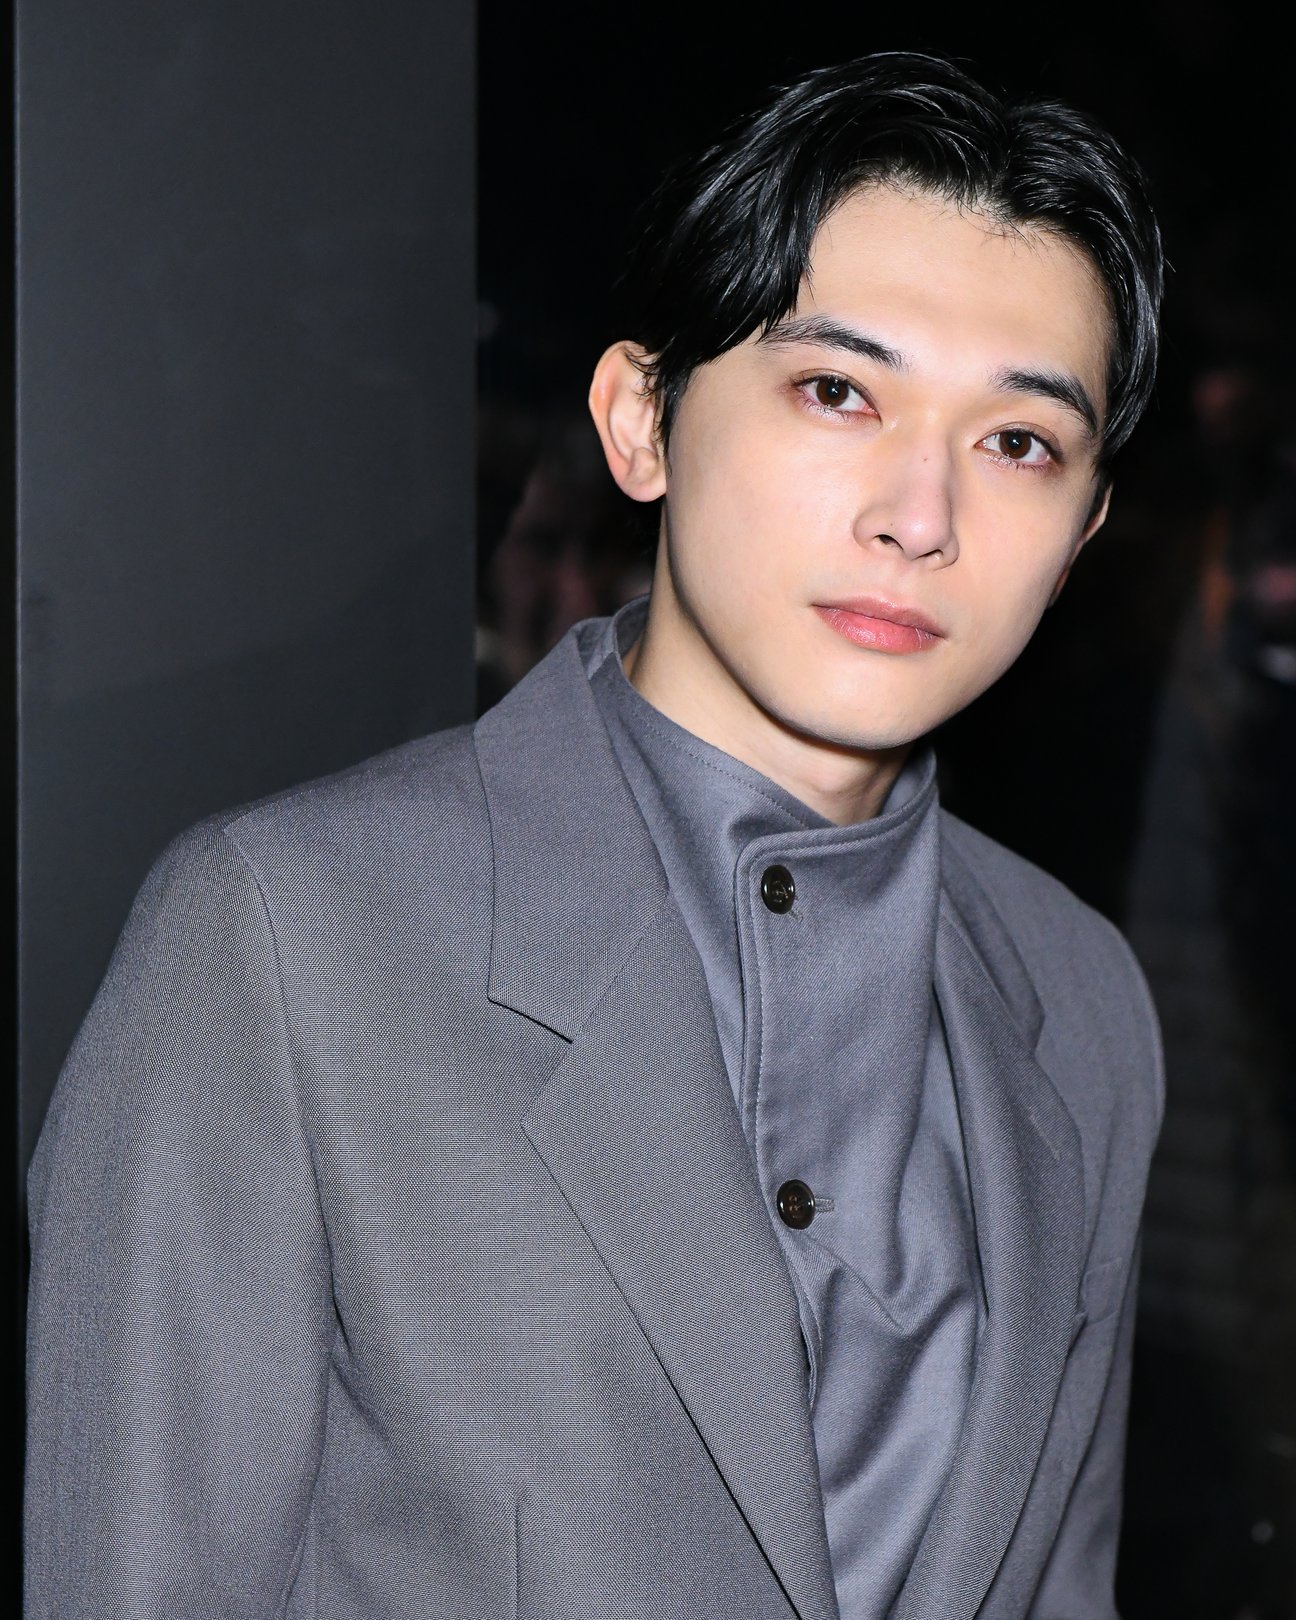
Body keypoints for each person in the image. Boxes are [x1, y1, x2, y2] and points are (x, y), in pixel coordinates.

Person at [25, 52, 1165, 1620]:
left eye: (1020, 442)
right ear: (642, 420)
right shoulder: (287, 938)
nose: (923, 514)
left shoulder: (1082, 999)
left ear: (1083, 532)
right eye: (838, 392)